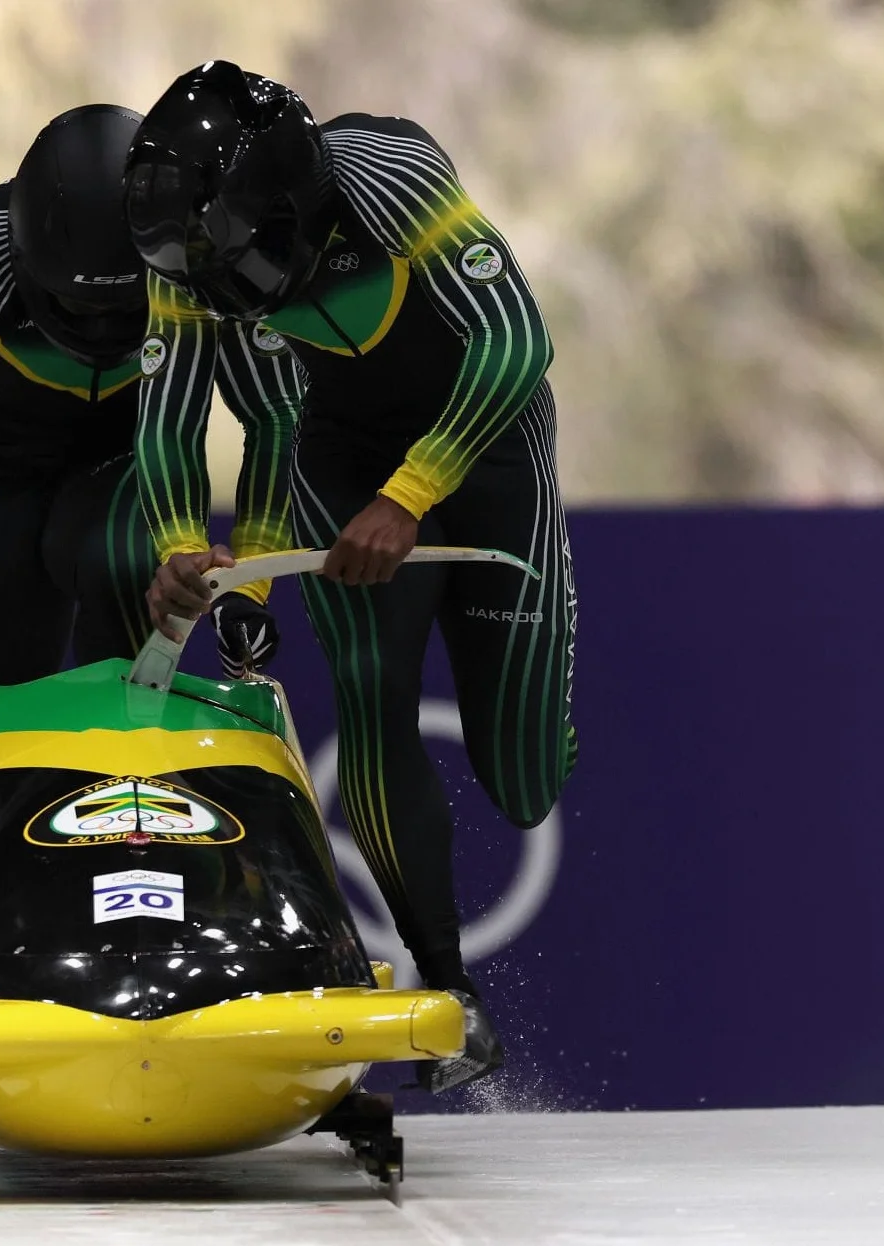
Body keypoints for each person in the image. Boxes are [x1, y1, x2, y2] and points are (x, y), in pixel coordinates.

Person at [124, 61, 579, 1093]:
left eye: (228, 265)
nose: (215, 292)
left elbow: (517, 343)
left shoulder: (395, 180)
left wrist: (412, 492)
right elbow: (169, 420)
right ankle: (447, 989)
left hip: (487, 439)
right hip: (340, 452)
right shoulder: (180, 257)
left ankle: (526, 706)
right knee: (370, 696)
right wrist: (175, 548)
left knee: (522, 779)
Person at [0, 102, 301, 688]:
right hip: (0, 475)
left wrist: (248, 585)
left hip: (132, 471)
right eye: (79, 306)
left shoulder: (205, 257)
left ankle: (128, 744)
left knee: (116, 552)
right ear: (24, 263)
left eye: (124, 309)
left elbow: (276, 415)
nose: (100, 330)